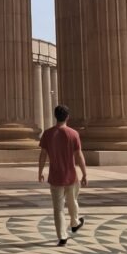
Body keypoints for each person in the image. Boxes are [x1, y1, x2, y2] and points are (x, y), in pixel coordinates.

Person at [38, 104, 87, 246]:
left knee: (58, 209)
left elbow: (43, 155)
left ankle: (62, 236)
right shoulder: (73, 134)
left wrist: (40, 172)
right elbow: (79, 155)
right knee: (72, 201)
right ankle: (74, 222)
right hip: (71, 176)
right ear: (68, 117)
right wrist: (84, 173)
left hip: (55, 176)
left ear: (55, 116)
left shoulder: (47, 134)